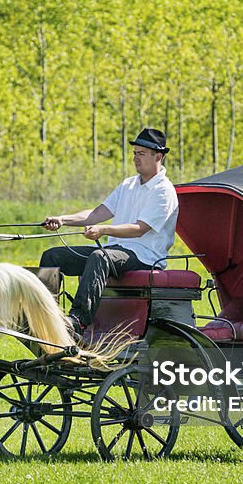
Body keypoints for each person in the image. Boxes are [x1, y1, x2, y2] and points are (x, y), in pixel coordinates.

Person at [40, 128, 179, 337]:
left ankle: (77, 321)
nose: (135, 158)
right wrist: (63, 220)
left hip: (145, 256)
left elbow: (140, 229)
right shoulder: (128, 185)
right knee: (53, 256)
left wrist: (104, 229)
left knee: (100, 257)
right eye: (134, 153)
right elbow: (97, 213)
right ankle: (45, 315)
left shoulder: (164, 191)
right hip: (116, 251)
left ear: (158, 156)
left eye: (141, 154)